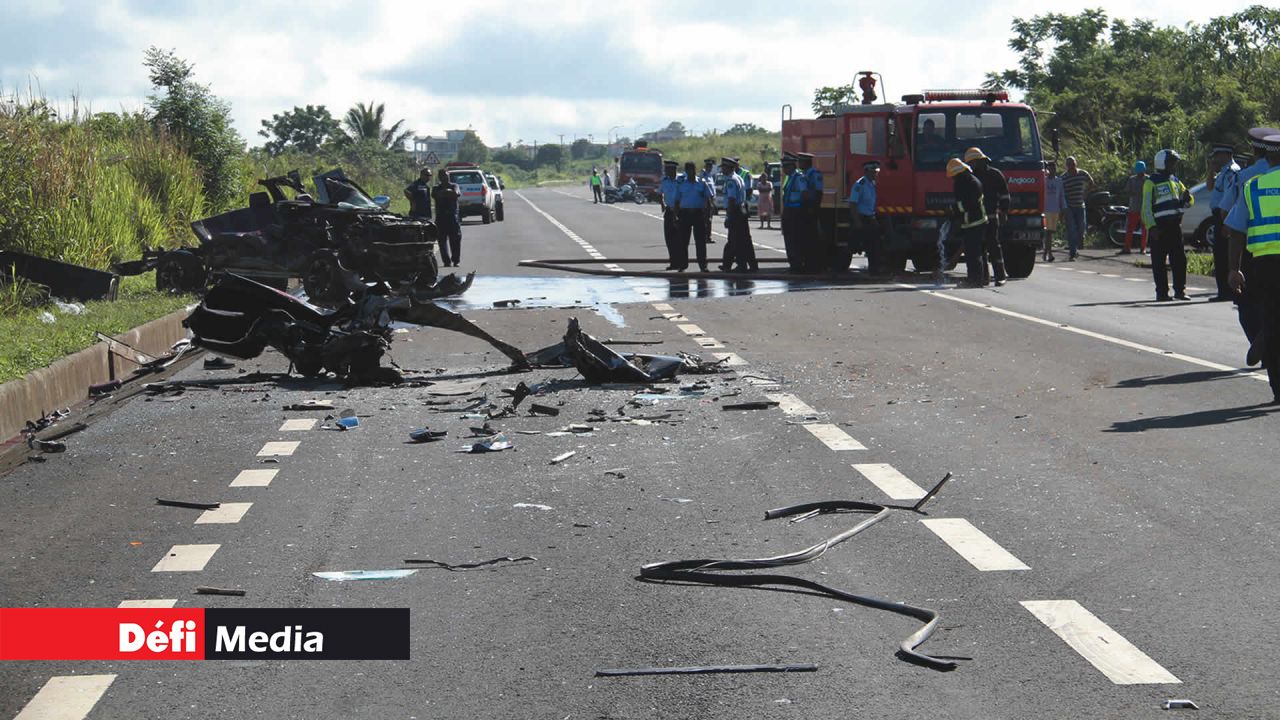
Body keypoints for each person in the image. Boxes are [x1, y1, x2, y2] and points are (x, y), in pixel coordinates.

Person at [1226, 132, 1280, 403]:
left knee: (1270, 320)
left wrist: (1234, 269)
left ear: (1267, 156)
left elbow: (1235, 231)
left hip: (1264, 265)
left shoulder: (1254, 186)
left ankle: (1278, 390)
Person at [1141, 148, 1194, 301]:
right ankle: (1162, 293)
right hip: (1159, 227)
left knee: (1179, 260)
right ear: (1162, 163)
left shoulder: (1176, 181)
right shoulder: (1151, 182)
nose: (1174, 165)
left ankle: (1180, 291)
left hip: (1175, 227)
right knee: (1159, 262)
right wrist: (1151, 227)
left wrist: (1187, 199)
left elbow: (1189, 200)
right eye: (1171, 162)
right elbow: (1145, 208)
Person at [966, 147, 1009, 286]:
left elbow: (1005, 195)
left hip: (991, 216)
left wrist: (1003, 211)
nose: (971, 166)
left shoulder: (995, 175)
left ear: (979, 161)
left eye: (972, 163)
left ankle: (1000, 276)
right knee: (980, 247)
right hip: (977, 218)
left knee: (994, 246)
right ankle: (984, 276)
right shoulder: (972, 177)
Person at [1208, 144, 1240, 301]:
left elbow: (1229, 200)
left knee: (1223, 255)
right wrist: (1210, 170)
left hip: (1224, 216)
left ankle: (1226, 292)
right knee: (1219, 254)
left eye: (1217, 155)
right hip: (1219, 215)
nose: (1215, 159)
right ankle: (1223, 291)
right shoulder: (1222, 171)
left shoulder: (1231, 171)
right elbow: (1209, 187)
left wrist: (1225, 222)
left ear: (1226, 155)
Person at [949, 158, 988, 287]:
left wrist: (955, 210)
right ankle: (978, 278)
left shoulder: (969, 183)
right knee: (974, 253)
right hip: (972, 222)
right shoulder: (969, 181)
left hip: (974, 222)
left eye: (953, 176)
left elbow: (968, 204)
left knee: (973, 253)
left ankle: (975, 279)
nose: (952, 179)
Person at [673, 160, 713, 272]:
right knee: (683, 241)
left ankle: (703, 265)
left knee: (700, 241)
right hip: (684, 214)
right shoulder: (681, 184)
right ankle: (682, 265)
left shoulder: (702, 183)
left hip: (698, 213)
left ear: (695, 171)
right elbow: (676, 201)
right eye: (689, 170)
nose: (691, 172)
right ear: (686, 171)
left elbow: (708, 200)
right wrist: (675, 216)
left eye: (693, 170)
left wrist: (708, 216)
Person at [718, 157, 756, 273]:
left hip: (735, 212)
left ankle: (740, 265)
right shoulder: (738, 177)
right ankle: (751, 264)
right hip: (741, 210)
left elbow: (731, 200)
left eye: (724, 167)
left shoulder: (731, 181)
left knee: (735, 240)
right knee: (744, 239)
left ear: (729, 167)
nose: (722, 169)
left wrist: (728, 217)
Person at [848, 161, 883, 276]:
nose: (875, 174)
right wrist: (857, 221)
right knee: (852, 246)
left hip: (870, 218)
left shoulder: (871, 184)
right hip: (861, 218)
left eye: (876, 172)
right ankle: (838, 268)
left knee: (874, 245)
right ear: (866, 171)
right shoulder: (860, 184)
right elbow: (853, 203)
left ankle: (874, 269)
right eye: (873, 172)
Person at [1060, 156, 1094, 260]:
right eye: (1069, 164)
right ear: (1067, 166)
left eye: (1073, 164)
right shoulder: (1064, 177)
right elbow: (1061, 193)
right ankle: (1072, 253)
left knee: (1081, 228)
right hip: (1069, 206)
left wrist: (1086, 193)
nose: (1071, 167)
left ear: (1076, 164)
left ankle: (1078, 244)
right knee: (1071, 230)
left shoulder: (1083, 174)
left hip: (1080, 205)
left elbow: (1091, 183)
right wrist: (1062, 209)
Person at [798, 152, 825, 271]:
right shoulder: (805, 174)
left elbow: (818, 191)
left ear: (805, 162)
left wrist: (814, 207)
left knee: (811, 237)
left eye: (800, 161)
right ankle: (809, 263)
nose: (799, 163)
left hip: (810, 206)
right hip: (807, 206)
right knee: (805, 237)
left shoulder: (813, 174)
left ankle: (813, 265)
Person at [780, 153, 807, 271]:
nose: (784, 169)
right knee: (789, 239)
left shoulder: (799, 178)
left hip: (796, 211)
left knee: (795, 239)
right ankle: (793, 264)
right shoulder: (789, 178)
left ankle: (797, 264)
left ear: (792, 166)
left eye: (786, 166)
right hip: (788, 210)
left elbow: (804, 194)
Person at [432, 169, 462, 267]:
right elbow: (437, 195)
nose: (445, 177)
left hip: (452, 217)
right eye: (443, 176)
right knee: (442, 241)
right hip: (441, 217)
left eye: (447, 175)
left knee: (455, 239)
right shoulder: (436, 188)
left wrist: (447, 192)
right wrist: (448, 193)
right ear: (440, 177)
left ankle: (456, 260)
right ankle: (446, 261)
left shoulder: (454, 186)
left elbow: (456, 193)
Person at [1121, 161, 1148, 255]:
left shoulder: (1148, 179)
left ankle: (1143, 248)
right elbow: (1126, 191)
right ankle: (1127, 248)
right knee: (1130, 229)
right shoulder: (1131, 179)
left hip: (1144, 208)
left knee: (1145, 229)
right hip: (1134, 207)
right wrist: (1133, 193)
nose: (1140, 173)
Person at [659, 160, 681, 270]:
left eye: (668, 169)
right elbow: (660, 193)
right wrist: (662, 203)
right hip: (669, 211)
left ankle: (681, 262)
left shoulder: (681, 180)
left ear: (674, 170)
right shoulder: (664, 180)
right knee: (669, 238)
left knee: (680, 239)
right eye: (666, 169)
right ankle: (673, 262)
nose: (666, 171)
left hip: (680, 211)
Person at [1043, 161, 1065, 262]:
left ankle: (1045, 252)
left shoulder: (1059, 181)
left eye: (1053, 169)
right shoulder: (1044, 181)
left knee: (1051, 232)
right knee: (1048, 232)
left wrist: (1063, 208)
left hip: (1055, 209)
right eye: (1050, 169)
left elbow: (1061, 195)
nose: (1052, 171)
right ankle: (1049, 254)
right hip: (1046, 209)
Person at [700, 158, 718, 244]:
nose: (709, 167)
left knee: (709, 219)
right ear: (705, 166)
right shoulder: (703, 175)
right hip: (705, 200)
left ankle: (708, 236)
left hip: (711, 200)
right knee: (706, 220)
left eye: (710, 166)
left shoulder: (710, 176)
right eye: (708, 166)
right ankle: (705, 237)